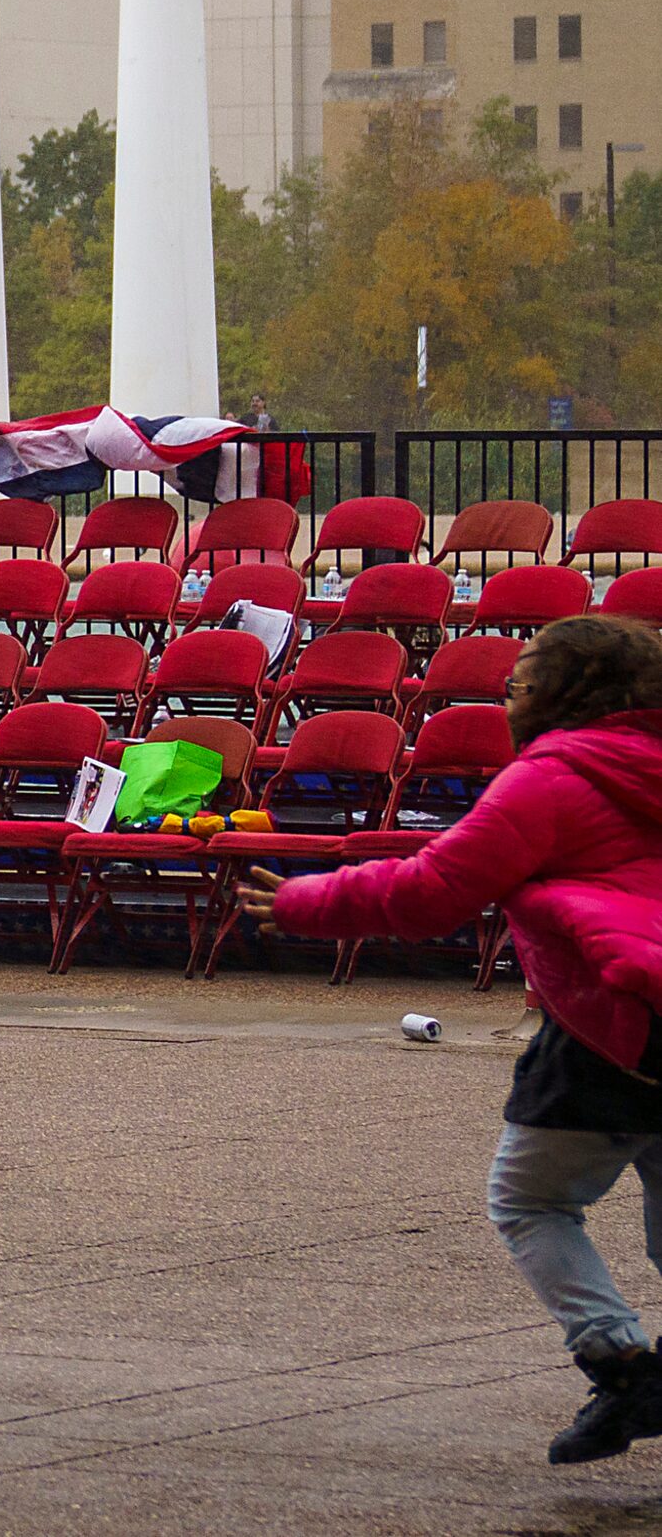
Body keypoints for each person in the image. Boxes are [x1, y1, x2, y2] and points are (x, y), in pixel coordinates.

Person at [233, 617, 662, 1465]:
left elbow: (435, 890)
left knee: (530, 1200)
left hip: (608, 1030)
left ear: (565, 694)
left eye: (521, 679)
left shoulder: (550, 779)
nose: (508, 693)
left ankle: (618, 1363)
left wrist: (302, 901)